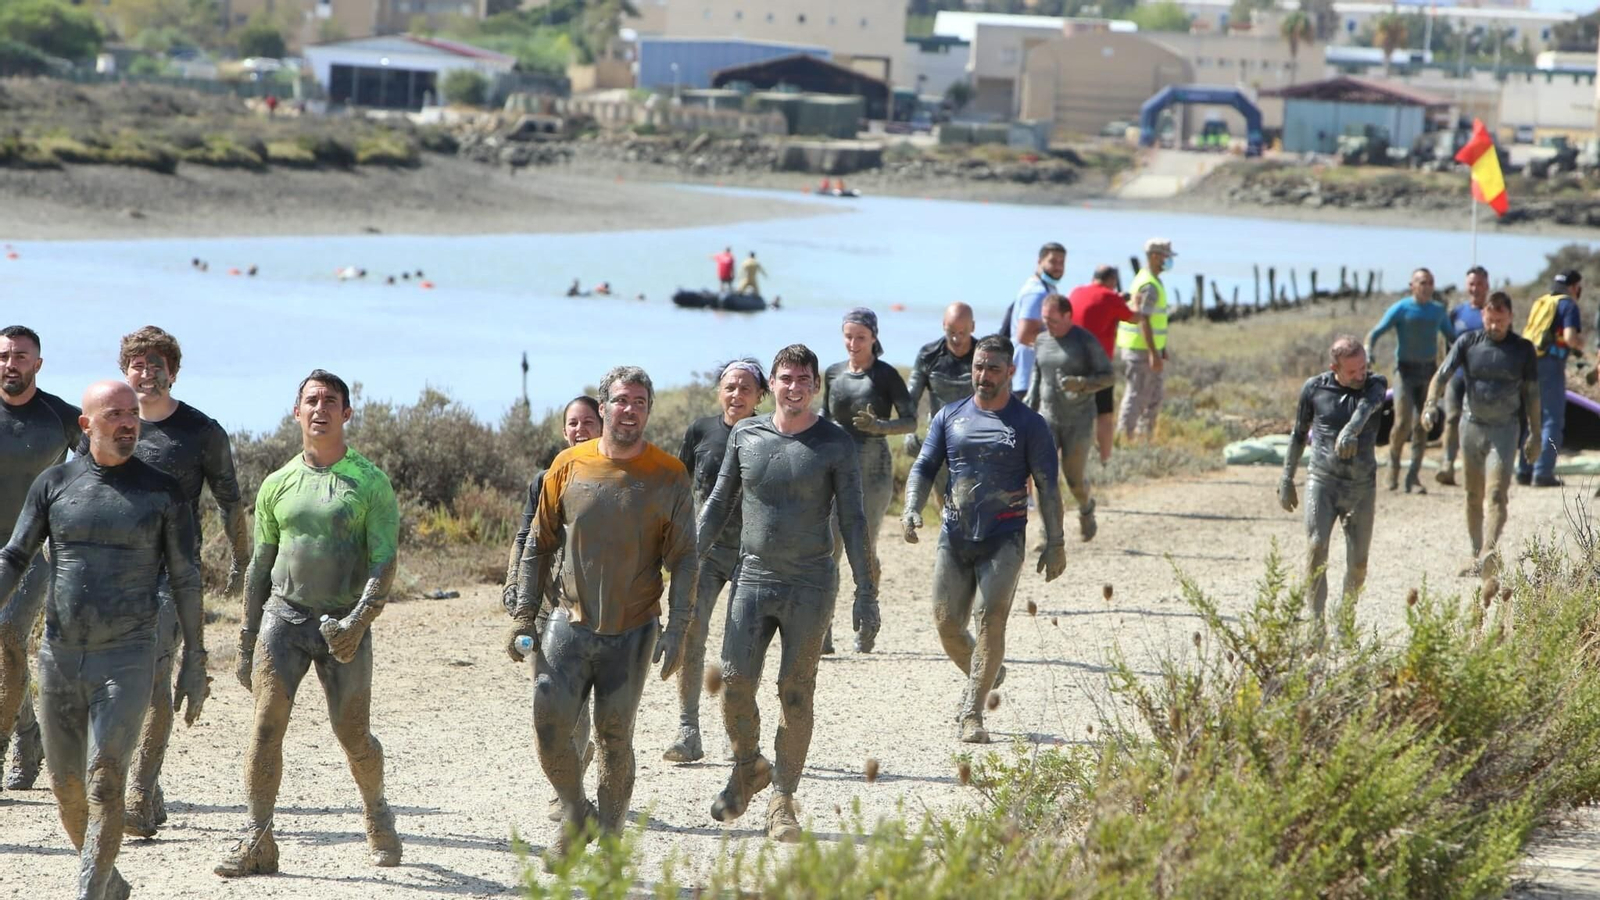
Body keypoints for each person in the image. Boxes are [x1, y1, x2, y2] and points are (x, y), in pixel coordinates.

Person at [0, 380, 208, 900]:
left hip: (128, 656)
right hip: (60, 656)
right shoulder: (54, 484)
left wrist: (195, 658)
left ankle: (89, 891)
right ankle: (108, 880)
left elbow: (186, 578)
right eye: (115, 414)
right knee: (66, 787)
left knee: (105, 778)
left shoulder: (162, 492)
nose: (128, 423)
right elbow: (15, 556)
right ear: (86, 425)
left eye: (132, 413)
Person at [218, 370, 402, 877]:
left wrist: (358, 622)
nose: (320, 409)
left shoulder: (370, 482)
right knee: (265, 726)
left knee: (353, 733)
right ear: (296, 411)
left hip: (346, 622)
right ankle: (258, 838)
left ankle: (377, 812)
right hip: (284, 618)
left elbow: (384, 562)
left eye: (330, 401)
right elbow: (260, 564)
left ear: (347, 413)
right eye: (312, 400)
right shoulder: (278, 483)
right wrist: (247, 638)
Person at [507, 366, 695, 863]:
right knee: (548, 727)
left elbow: (684, 559)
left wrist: (677, 629)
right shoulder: (568, 466)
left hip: (633, 628)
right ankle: (577, 813)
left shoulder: (669, 474)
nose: (629, 410)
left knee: (614, 739)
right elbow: (537, 545)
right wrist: (524, 614)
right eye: (621, 400)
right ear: (604, 405)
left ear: (648, 410)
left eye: (639, 402)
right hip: (568, 622)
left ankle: (610, 843)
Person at [695, 344, 878, 842]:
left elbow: (854, 520)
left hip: (810, 583)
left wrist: (866, 590)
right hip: (753, 577)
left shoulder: (835, 444)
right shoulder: (746, 435)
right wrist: (684, 564)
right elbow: (717, 504)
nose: (794, 387)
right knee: (734, 682)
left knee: (795, 691)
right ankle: (749, 765)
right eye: (785, 378)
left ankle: (782, 800)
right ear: (771, 384)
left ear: (815, 385)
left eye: (803, 379)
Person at [81, 327, 250, 837]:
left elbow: (230, 500)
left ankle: (137, 792)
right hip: (111, 572)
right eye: (138, 364)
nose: (147, 373)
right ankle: (150, 794)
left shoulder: (201, 432)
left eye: (157, 365)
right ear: (124, 371)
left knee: (154, 678)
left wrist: (242, 560)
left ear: (173, 373)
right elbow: (78, 490)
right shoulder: (106, 425)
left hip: (172, 574)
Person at [903, 335, 1066, 743]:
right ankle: (989, 670)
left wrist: (1056, 541)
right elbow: (924, 466)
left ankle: (972, 713)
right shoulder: (949, 416)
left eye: (993, 368)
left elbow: (1048, 486)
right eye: (979, 366)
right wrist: (911, 507)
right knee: (946, 623)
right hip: (954, 535)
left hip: (1004, 537)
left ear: (1010, 371)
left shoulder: (1029, 424)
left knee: (990, 618)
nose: (984, 375)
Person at [502, 396, 602, 823]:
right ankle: (568, 779)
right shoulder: (545, 480)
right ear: (564, 431)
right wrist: (514, 585)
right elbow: (525, 538)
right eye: (572, 423)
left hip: (599, 610)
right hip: (548, 605)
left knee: (582, 703)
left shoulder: (619, 478)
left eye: (587, 422)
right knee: (550, 700)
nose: (580, 430)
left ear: (603, 426)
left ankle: (570, 789)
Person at [664, 360, 767, 764]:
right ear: (719, 391)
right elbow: (678, 487)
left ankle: (735, 730)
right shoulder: (700, 431)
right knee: (691, 633)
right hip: (704, 552)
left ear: (760, 395)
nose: (736, 394)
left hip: (752, 554)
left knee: (740, 644)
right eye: (730, 387)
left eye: (745, 388)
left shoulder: (769, 434)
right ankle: (688, 731)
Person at [0, 325, 81, 794]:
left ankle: (14, 741)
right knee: (4, 649)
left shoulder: (60, 416)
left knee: (7, 632)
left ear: (38, 364)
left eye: (20, 356)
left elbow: (98, 466)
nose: (11, 364)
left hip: (32, 551)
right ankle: (29, 734)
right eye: (4, 356)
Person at [1422, 292, 1540, 581]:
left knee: (1497, 493)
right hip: (1472, 426)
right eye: (1490, 319)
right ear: (1483, 316)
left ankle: (1489, 550)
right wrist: (1430, 404)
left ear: (1510, 318)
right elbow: (1442, 374)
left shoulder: (1523, 349)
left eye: (1500, 320)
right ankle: (1476, 553)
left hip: (1505, 429)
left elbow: (1532, 394)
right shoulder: (1467, 342)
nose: (1494, 326)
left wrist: (1536, 433)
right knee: (1472, 494)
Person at [823, 308, 915, 654]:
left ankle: (866, 621)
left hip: (874, 469)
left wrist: (880, 427)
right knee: (828, 548)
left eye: (860, 337)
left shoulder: (886, 375)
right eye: (848, 336)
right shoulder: (833, 374)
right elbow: (824, 415)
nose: (853, 343)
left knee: (864, 548)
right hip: (835, 466)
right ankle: (823, 631)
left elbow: (910, 421)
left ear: (874, 338)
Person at [1279, 338, 1387, 631]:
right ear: (1334, 368)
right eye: (1352, 371)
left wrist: (1351, 430)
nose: (1360, 374)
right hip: (1322, 481)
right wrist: (1287, 477)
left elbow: (1366, 407)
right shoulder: (1315, 389)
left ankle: (1345, 619)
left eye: (1363, 367)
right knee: (1316, 546)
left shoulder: (1375, 385)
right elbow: (1298, 434)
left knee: (1358, 564)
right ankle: (1316, 623)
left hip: (1361, 488)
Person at [1025, 293, 1115, 541]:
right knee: (1044, 476)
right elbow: (1038, 375)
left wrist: (1081, 384)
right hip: (1047, 418)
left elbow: (1108, 376)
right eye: (1045, 320)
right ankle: (1048, 533)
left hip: (1079, 420)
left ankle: (1086, 508)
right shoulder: (1042, 340)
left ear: (1068, 316)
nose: (1048, 325)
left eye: (1053, 320)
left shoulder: (1085, 341)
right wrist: (1028, 405)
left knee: (1074, 479)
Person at [1365, 267, 1455, 494]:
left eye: (1430, 282)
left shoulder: (1438, 311)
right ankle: (1392, 470)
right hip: (1404, 372)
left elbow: (1452, 337)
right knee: (1402, 422)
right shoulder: (1401, 308)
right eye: (1422, 282)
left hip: (1429, 372)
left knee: (1423, 423)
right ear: (1412, 286)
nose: (1426, 287)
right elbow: (1376, 332)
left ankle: (1413, 477)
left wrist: (1457, 360)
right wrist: (1368, 351)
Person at [903, 303, 977, 513]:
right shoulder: (928, 355)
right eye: (951, 332)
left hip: (976, 438)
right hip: (940, 437)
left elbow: (1001, 395)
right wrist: (909, 431)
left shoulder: (984, 355)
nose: (956, 338)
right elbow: (910, 398)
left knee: (972, 503)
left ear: (972, 327)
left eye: (962, 332)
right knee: (947, 503)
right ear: (943, 325)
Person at [1516, 270, 1583, 488]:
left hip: (1529, 362)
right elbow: (1570, 337)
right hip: (1551, 365)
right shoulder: (1568, 305)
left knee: (1532, 417)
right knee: (1552, 419)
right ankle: (1542, 472)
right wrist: (1580, 344)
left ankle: (1524, 470)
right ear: (1573, 287)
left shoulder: (1543, 301)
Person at [1068, 265, 1137, 463]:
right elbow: (1134, 318)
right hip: (1099, 366)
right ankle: (1105, 459)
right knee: (1104, 415)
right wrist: (1136, 303)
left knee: (1073, 414)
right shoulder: (1111, 296)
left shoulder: (1076, 292)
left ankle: (1070, 458)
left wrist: (1117, 300)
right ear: (1112, 280)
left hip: (1072, 362)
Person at [1117, 239, 1175, 442]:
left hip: (1149, 349)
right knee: (1136, 395)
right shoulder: (1149, 284)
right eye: (1166, 256)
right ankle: (1124, 438)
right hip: (1140, 349)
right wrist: (1153, 352)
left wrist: (1160, 348)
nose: (1169, 261)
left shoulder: (1151, 279)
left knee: (1153, 396)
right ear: (1155, 257)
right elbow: (1144, 320)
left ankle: (1143, 439)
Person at [1437, 266, 1490, 487]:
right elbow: (1446, 345)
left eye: (1479, 284)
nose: (1475, 288)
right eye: (1471, 284)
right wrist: (1443, 374)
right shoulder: (1457, 313)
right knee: (1451, 419)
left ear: (1487, 285)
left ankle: (1478, 469)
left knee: (1480, 423)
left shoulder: (1492, 313)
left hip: (1483, 380)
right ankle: (1447, 465)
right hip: (1457, 376)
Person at [1009, 242, 1067, 398]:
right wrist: (1062, 344)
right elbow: (1025, 335)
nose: (1058, 267)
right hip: (1026, 378)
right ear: (1040, 261)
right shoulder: (1036, 292)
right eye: (1053, 261)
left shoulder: (1049, 288)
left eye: (1061, 262)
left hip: (1036, 377)